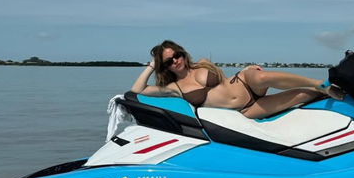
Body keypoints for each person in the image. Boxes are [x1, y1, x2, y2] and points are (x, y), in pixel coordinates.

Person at [131, 40, 343, 119]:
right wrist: (152, 64)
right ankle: (330, 93)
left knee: (262, 76)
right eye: (168, 61)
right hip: (246, 109)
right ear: (164, 67)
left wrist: (245, 70)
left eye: (176, 55)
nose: (175, 61)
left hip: (243, 83)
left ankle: (320, 83)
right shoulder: (174, 88)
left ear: (182, 53)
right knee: (302, 96)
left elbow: (224, 80)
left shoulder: (203, 62)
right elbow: (137, 89)